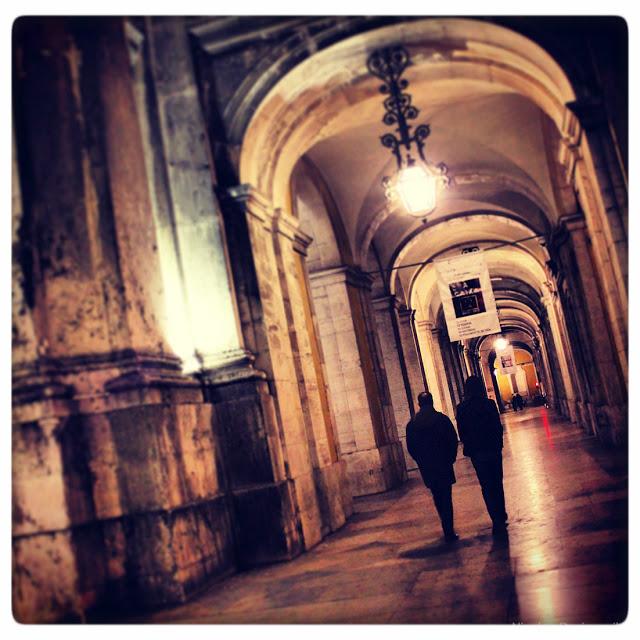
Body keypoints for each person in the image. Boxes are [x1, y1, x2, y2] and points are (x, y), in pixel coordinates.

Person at [456, 376, 508, 535]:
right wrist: (498, 444)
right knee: (497, 483)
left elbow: (462, 432)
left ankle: (495, 519)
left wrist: (470, 446)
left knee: (486, 486)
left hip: (477, 453)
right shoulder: (489, 404)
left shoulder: (462, 408)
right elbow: (497, 427)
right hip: (493, 450)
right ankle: (501, 513)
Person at [406, 391, 459, 542]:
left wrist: (421, 461)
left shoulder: (413, 424)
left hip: (427, 467)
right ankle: (448, 528)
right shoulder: (441, 419)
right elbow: (452, 440)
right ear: (432, 402)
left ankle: (444, 522)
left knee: (436, 494)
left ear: (419, 404)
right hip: (443, 464)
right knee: (446, 496)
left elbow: (411, 447)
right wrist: (450, 458)